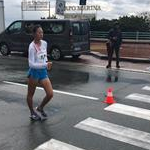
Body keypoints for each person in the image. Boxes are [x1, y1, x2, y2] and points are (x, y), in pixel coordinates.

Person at [26, 25, 53, 121]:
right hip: (34, 73)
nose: (41, 34)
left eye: (42, 32)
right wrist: (45, 65)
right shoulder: (31, 47)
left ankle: (40, 107)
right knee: (30, 94)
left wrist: (47, 63)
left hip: (43, 72)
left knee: (50, 94)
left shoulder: (44, 43)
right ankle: (32, 112)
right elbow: (31, 64)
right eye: (39, 32)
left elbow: (44, 56)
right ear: (34, 34)